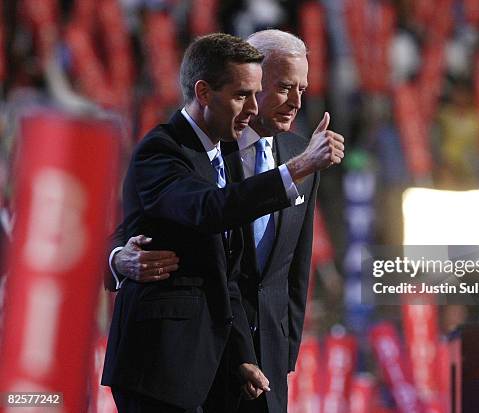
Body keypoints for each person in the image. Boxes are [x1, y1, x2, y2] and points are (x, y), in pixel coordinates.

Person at [101, 33, 344, 413]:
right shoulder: (185, 147)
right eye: (282, 88)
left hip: (259, 362)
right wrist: (117, 257)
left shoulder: (297, 150)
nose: (296, 101)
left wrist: (281, 353)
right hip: (178, 365)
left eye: (302, 88)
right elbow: (192, 212)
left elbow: (293, 267)